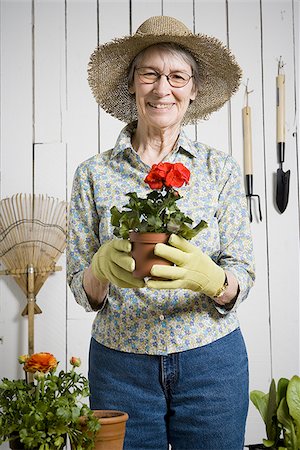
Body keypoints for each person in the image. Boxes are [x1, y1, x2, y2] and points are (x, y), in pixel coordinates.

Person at [67, 15, 255, 450]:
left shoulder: (219, 169)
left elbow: (242, 273)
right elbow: (83, 291)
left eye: (176, 76)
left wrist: (213, 279)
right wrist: (98, 267)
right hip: (120, 368)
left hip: (212, 362)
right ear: (133, 84)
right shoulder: (93, 174)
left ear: (192, 89)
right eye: (149, 74)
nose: (162, 88)